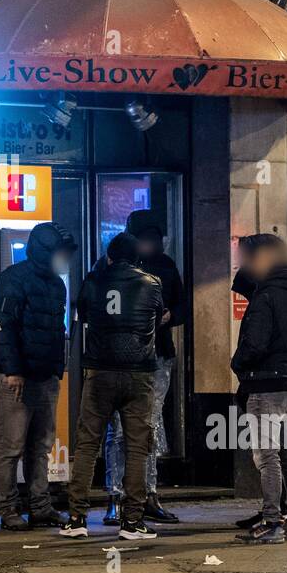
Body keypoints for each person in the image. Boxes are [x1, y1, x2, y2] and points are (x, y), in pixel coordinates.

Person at [61, 233, 164, 541]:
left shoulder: (92, 281)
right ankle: (132, 521)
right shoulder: (152, 283)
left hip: (100, 372)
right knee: (137, 448)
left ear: (109, 255)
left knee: (88, 444)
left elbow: (84, 317)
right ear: (138, 257)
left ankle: (77, 517)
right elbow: (157, 319)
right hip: (139, 374)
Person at [0, 221, 77, 531]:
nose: (64, 258)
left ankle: (41, 506)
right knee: (10, 446)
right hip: (14, 377)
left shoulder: (56, 284)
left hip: (44, 376)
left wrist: (56, 367)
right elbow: (4, 327)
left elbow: (57, 330)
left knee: (40, 445)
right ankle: (8, 508)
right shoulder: (13, 279)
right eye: (60, 252)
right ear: (44, 252)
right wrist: (13, 370)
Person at [100, 209, 184, 525]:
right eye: (145, 239)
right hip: (125, 359)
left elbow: (182, 305)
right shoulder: (112, 269)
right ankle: (117, 495)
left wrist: (170, 316)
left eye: (154, 239)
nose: (150, 244)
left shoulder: (165, 266)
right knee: (120, 430)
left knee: (147, 425)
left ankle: (147, 494)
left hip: (156, 355)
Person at [230, 233, 287, 545]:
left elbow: (254, 344)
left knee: (267, 456)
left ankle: (272, 522)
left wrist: (238, 364)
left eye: (248, 259)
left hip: (263, 384)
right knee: (286, 452)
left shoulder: (266, 298)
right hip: (284, 382)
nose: (244, 265)